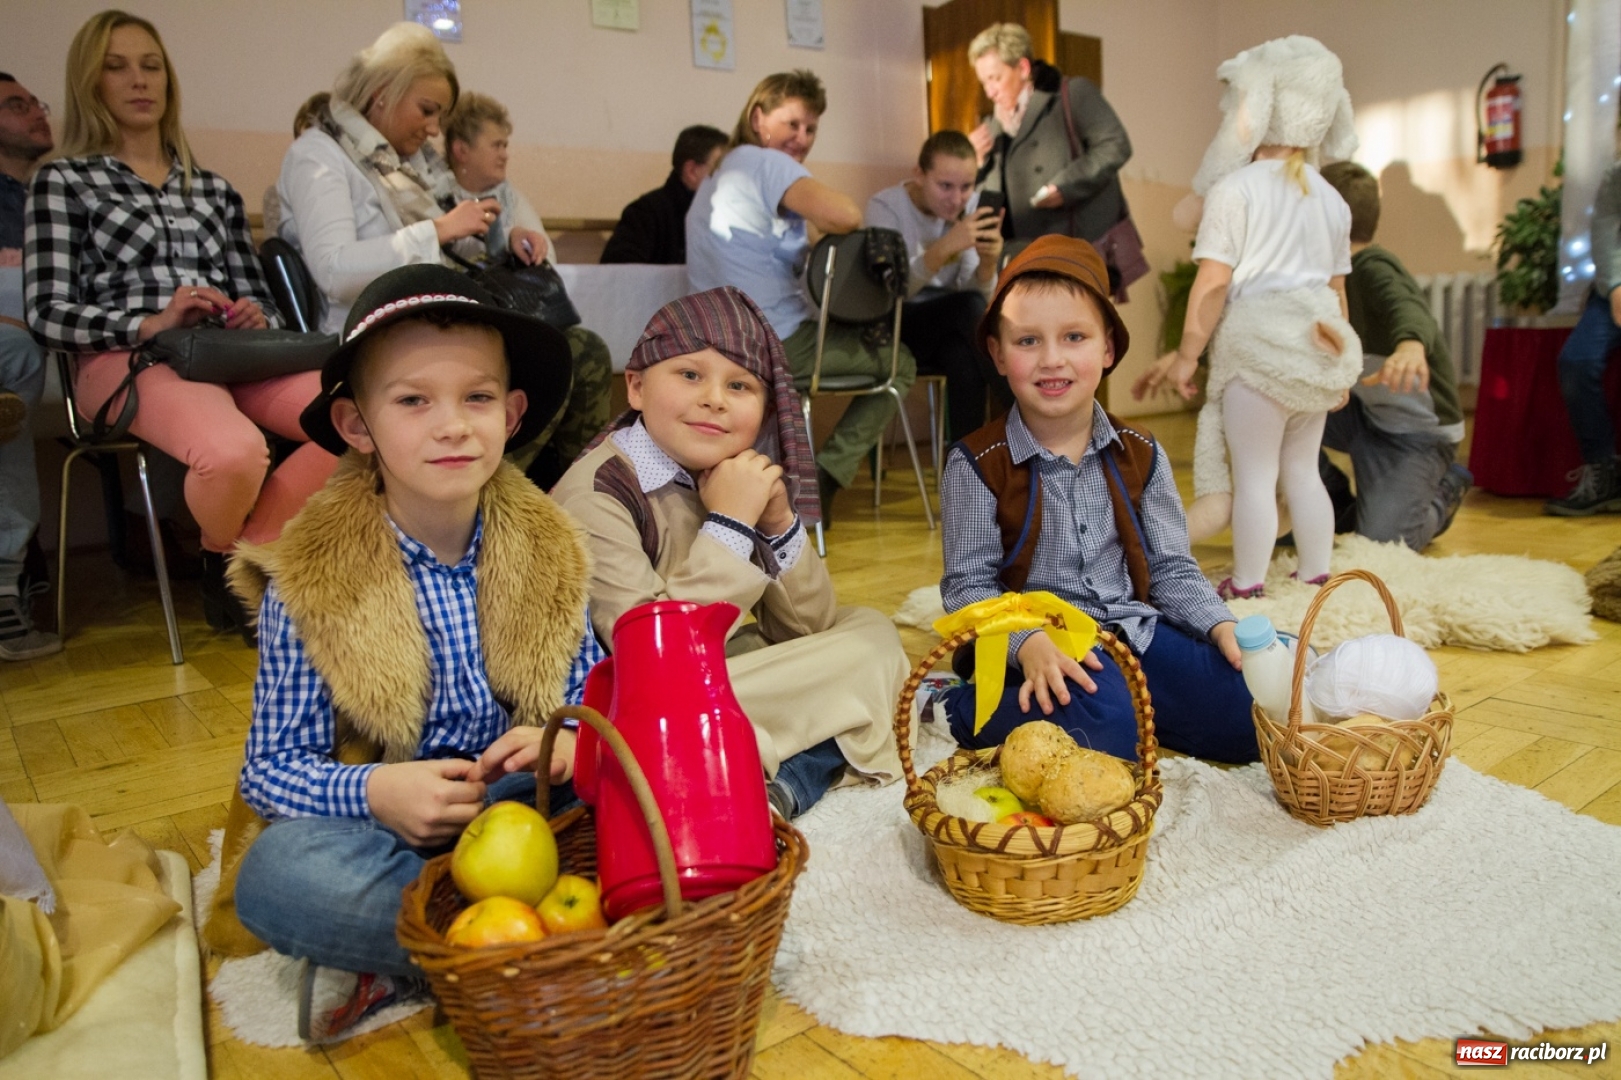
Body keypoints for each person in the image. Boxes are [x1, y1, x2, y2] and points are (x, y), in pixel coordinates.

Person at [207, 264, 601, 1043]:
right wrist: (379, 791)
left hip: (526, 805)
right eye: (413, 400)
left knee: (665, 786)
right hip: (389, 831)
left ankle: (459, 943)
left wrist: (574, 739)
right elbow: (271, 768)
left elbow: (592, 684)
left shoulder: (551, 547)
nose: (452, 425)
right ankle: (507, 949)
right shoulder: (309, 581)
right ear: (357, 426)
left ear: (513, 413)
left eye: (477, 398)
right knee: (278, 876)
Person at [26, 11, 337, 639]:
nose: (139, 81)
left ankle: (241, 558)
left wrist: (255, 315)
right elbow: (47, 311)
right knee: (230, 452)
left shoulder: (213, 190)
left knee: (362, 418)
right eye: (116, 67)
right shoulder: (63, 181)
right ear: (90, 83)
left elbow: (258, 297)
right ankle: (232, 569)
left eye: (151, 66)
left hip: (227, 353)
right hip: (127, 360)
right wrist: (149, 323)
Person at [552, 286, 907, 819]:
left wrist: (779, 523)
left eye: (739, 385)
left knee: (871, 631)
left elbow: (810, 630)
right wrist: (728, 522)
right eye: (690, 375)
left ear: (763, 413)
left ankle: (776, 776)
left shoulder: (726, 470)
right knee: (872, 673)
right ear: (636, 387)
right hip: (642, 703)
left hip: (717, 674)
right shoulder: (598, 492)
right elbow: (653, 663)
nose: (714, 399)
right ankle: (779, 769)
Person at [934, 236, 1257, 765]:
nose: (1052, 360)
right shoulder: (975, 463)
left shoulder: (1141, 452)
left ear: (1107, 349)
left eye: (1075, 337)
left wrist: (1220, 624)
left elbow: (1172, 568)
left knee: (1246, 705)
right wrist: (1028, 643)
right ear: (997, 352)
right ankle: (960, 709)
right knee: (1105, 729)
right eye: (1028, 342)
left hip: (1135, 635)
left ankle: (1138, 711)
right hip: (1039, 648)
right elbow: (969, 588)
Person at [1132, 35, 1361, 601]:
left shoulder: (1234, 191)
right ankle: (1314, 574)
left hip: (1258, 353)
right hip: (1316, 353)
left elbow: (1212, 285)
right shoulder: (1334, 200)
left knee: (1255, 476)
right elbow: (1336, 293)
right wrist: (1342, 368)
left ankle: (1249, 581)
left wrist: (1188, 354)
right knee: (1303, 471)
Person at [686, 69, 916, 526]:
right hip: (774, 341)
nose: (803, 138)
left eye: (811, 129)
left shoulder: (720, 173)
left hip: (714, 343)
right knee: (901, 364)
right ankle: (827, 475)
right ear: (759, 119)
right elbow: (845, 214)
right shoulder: (766, 163)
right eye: (793, 124)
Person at [441, 91, 612, 489]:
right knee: (555, 357)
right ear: (461, 150)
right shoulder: (436, 191)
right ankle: (498, 483)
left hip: (509, 317)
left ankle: (586, 484)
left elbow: (543, 253)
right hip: (457, 321)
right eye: (496, 145)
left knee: (588, 348)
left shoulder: (506, 194)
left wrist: (517, 234)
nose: (504, 155)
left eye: (506, 145)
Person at [1316, 161, 1472, 546]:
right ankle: (1333, 502)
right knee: (1272, 412)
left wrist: (1410, 346)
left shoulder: (1372, 266)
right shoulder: (1321, 278)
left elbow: (1407, 305)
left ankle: (1444, 492)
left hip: (1414, 435)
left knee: (1384, 544)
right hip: (1364, 414)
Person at [866, 130, 1009, 443]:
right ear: (919, 174)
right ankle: (1028, 412)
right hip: (895, 323)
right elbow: (889, 294)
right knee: (968, 311)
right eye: (945, 186)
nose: (957, 199)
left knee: (963, 356)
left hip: (952, 324)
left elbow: (978, 294)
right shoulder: (885, 207)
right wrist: (944, 248)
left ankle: (964, 471)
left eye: (966, 187)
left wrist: (988, 264)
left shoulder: (969, 209)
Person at [966, 23, 1132, 262]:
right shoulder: (992, 126)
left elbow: (1115, 144)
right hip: (1020, 255)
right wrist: (977, 163)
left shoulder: (1072, 93)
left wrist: (1065, 186)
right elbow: (992, 204)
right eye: (984, 82)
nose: (989, 92)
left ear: (1023, 68)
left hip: (1075, 245)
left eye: (995, 78)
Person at [0, 72, 60, 659]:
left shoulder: (60, 191)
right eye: (15, 106)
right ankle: (7, 573)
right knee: (12, 353)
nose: (37, 113)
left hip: (63, 347)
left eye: (34, 102)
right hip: (19, 346)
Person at [1546, 155, 1621, 515]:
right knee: (1576, 361)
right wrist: (1616, 286)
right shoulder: (1616, 174)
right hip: (1614, 292)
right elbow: (1606, 231)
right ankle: (1603, 471)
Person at [600, 124, 727, 265]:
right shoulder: (645, 213)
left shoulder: (725, 217)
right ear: (692, 171)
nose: (729, 179)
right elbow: (619, 274)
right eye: (721, 169)